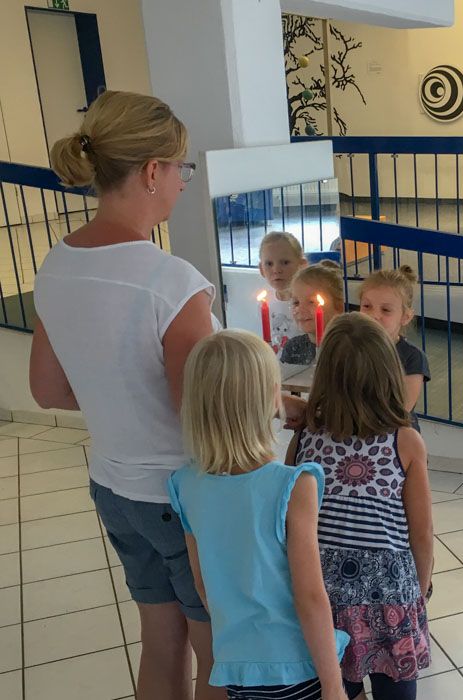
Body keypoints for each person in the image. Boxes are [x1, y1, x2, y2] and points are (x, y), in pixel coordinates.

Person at [28, 90, 303, 700]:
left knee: (159, 642)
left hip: (113, 487)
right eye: (182, 168)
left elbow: (46, 390)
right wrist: (278, 409)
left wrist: (115, 395)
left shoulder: (56, 264)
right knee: (218, 655)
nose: (182, 181)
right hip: (184, 497)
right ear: (153, 170)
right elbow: (202, 415)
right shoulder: (170, 281)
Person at [168, 331, 349, 700]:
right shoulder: (293, 485)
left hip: (238, 666)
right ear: (269, 398)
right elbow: (310, 597)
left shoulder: (184, 485)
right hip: (296, 665)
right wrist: (333, 688)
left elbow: (202, 585)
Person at [287, 313, 432, 700]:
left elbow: (288, 518)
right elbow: (421, 533)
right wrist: (418, 593)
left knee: (337, 688)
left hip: (324, 596)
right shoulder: (404, 441)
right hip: (390, 597)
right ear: (388, 373)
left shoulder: (306, 437)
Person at [359, 265, 430, 432]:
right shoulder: (351, 348)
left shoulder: (412, 357)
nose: (374, 315)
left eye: (386, 310)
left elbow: (400, 410)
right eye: (367, 306)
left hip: (394, 436)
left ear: (405, 317)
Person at [280, 261, 344, 365]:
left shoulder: (348, 349)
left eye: (312, 302)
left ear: (339, 306)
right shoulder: (292, 348)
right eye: (296, 302)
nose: (300, 309)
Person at [258, 231, 306, 357]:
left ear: (302, 265)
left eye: (285, 262)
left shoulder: (309, 302)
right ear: (261, 269)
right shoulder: (264, 304)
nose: (276, 270)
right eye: (269, 264)